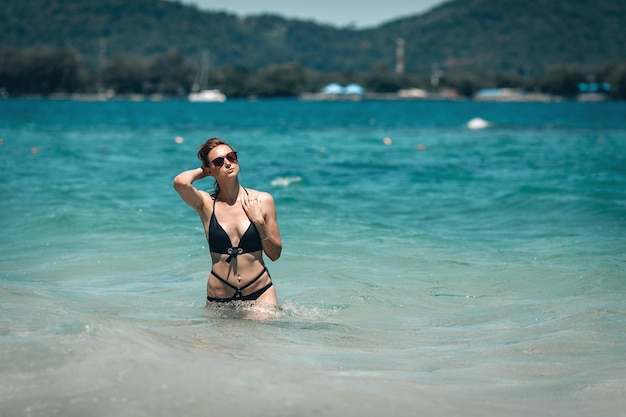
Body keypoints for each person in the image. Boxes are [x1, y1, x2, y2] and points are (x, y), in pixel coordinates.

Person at [174, 137, 282, 306]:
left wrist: (259, 223)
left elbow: (275, 254)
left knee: (263, 332)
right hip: (219, 296)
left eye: (231, 157)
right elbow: (180, 182)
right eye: (219, 161)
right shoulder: (206, 204)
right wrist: (205, 170)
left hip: (260, 291)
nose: (228, 163)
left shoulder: (263, 200)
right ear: (209, 170)